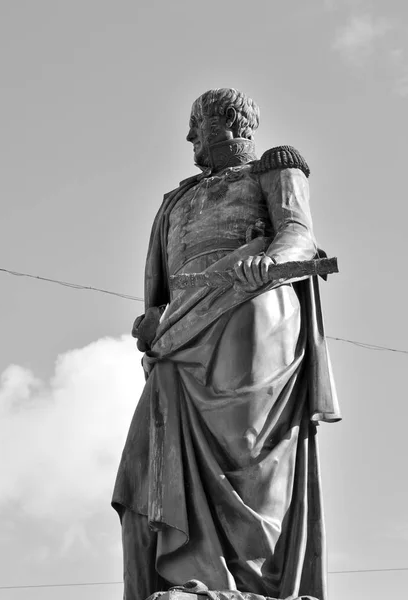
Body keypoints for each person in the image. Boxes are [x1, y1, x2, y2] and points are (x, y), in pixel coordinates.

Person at [112, 88, 340, 600]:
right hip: (183, 331)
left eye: (201, 125)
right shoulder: (176, 200)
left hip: (251, 303)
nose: (192, 138)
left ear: (231, 125)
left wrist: (270, 260)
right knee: (149, 450)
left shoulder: (275, 167)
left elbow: (298, 233)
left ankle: (254, 578)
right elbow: (162, 288)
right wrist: (150, 321)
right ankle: (192, 574)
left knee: (249, 444)